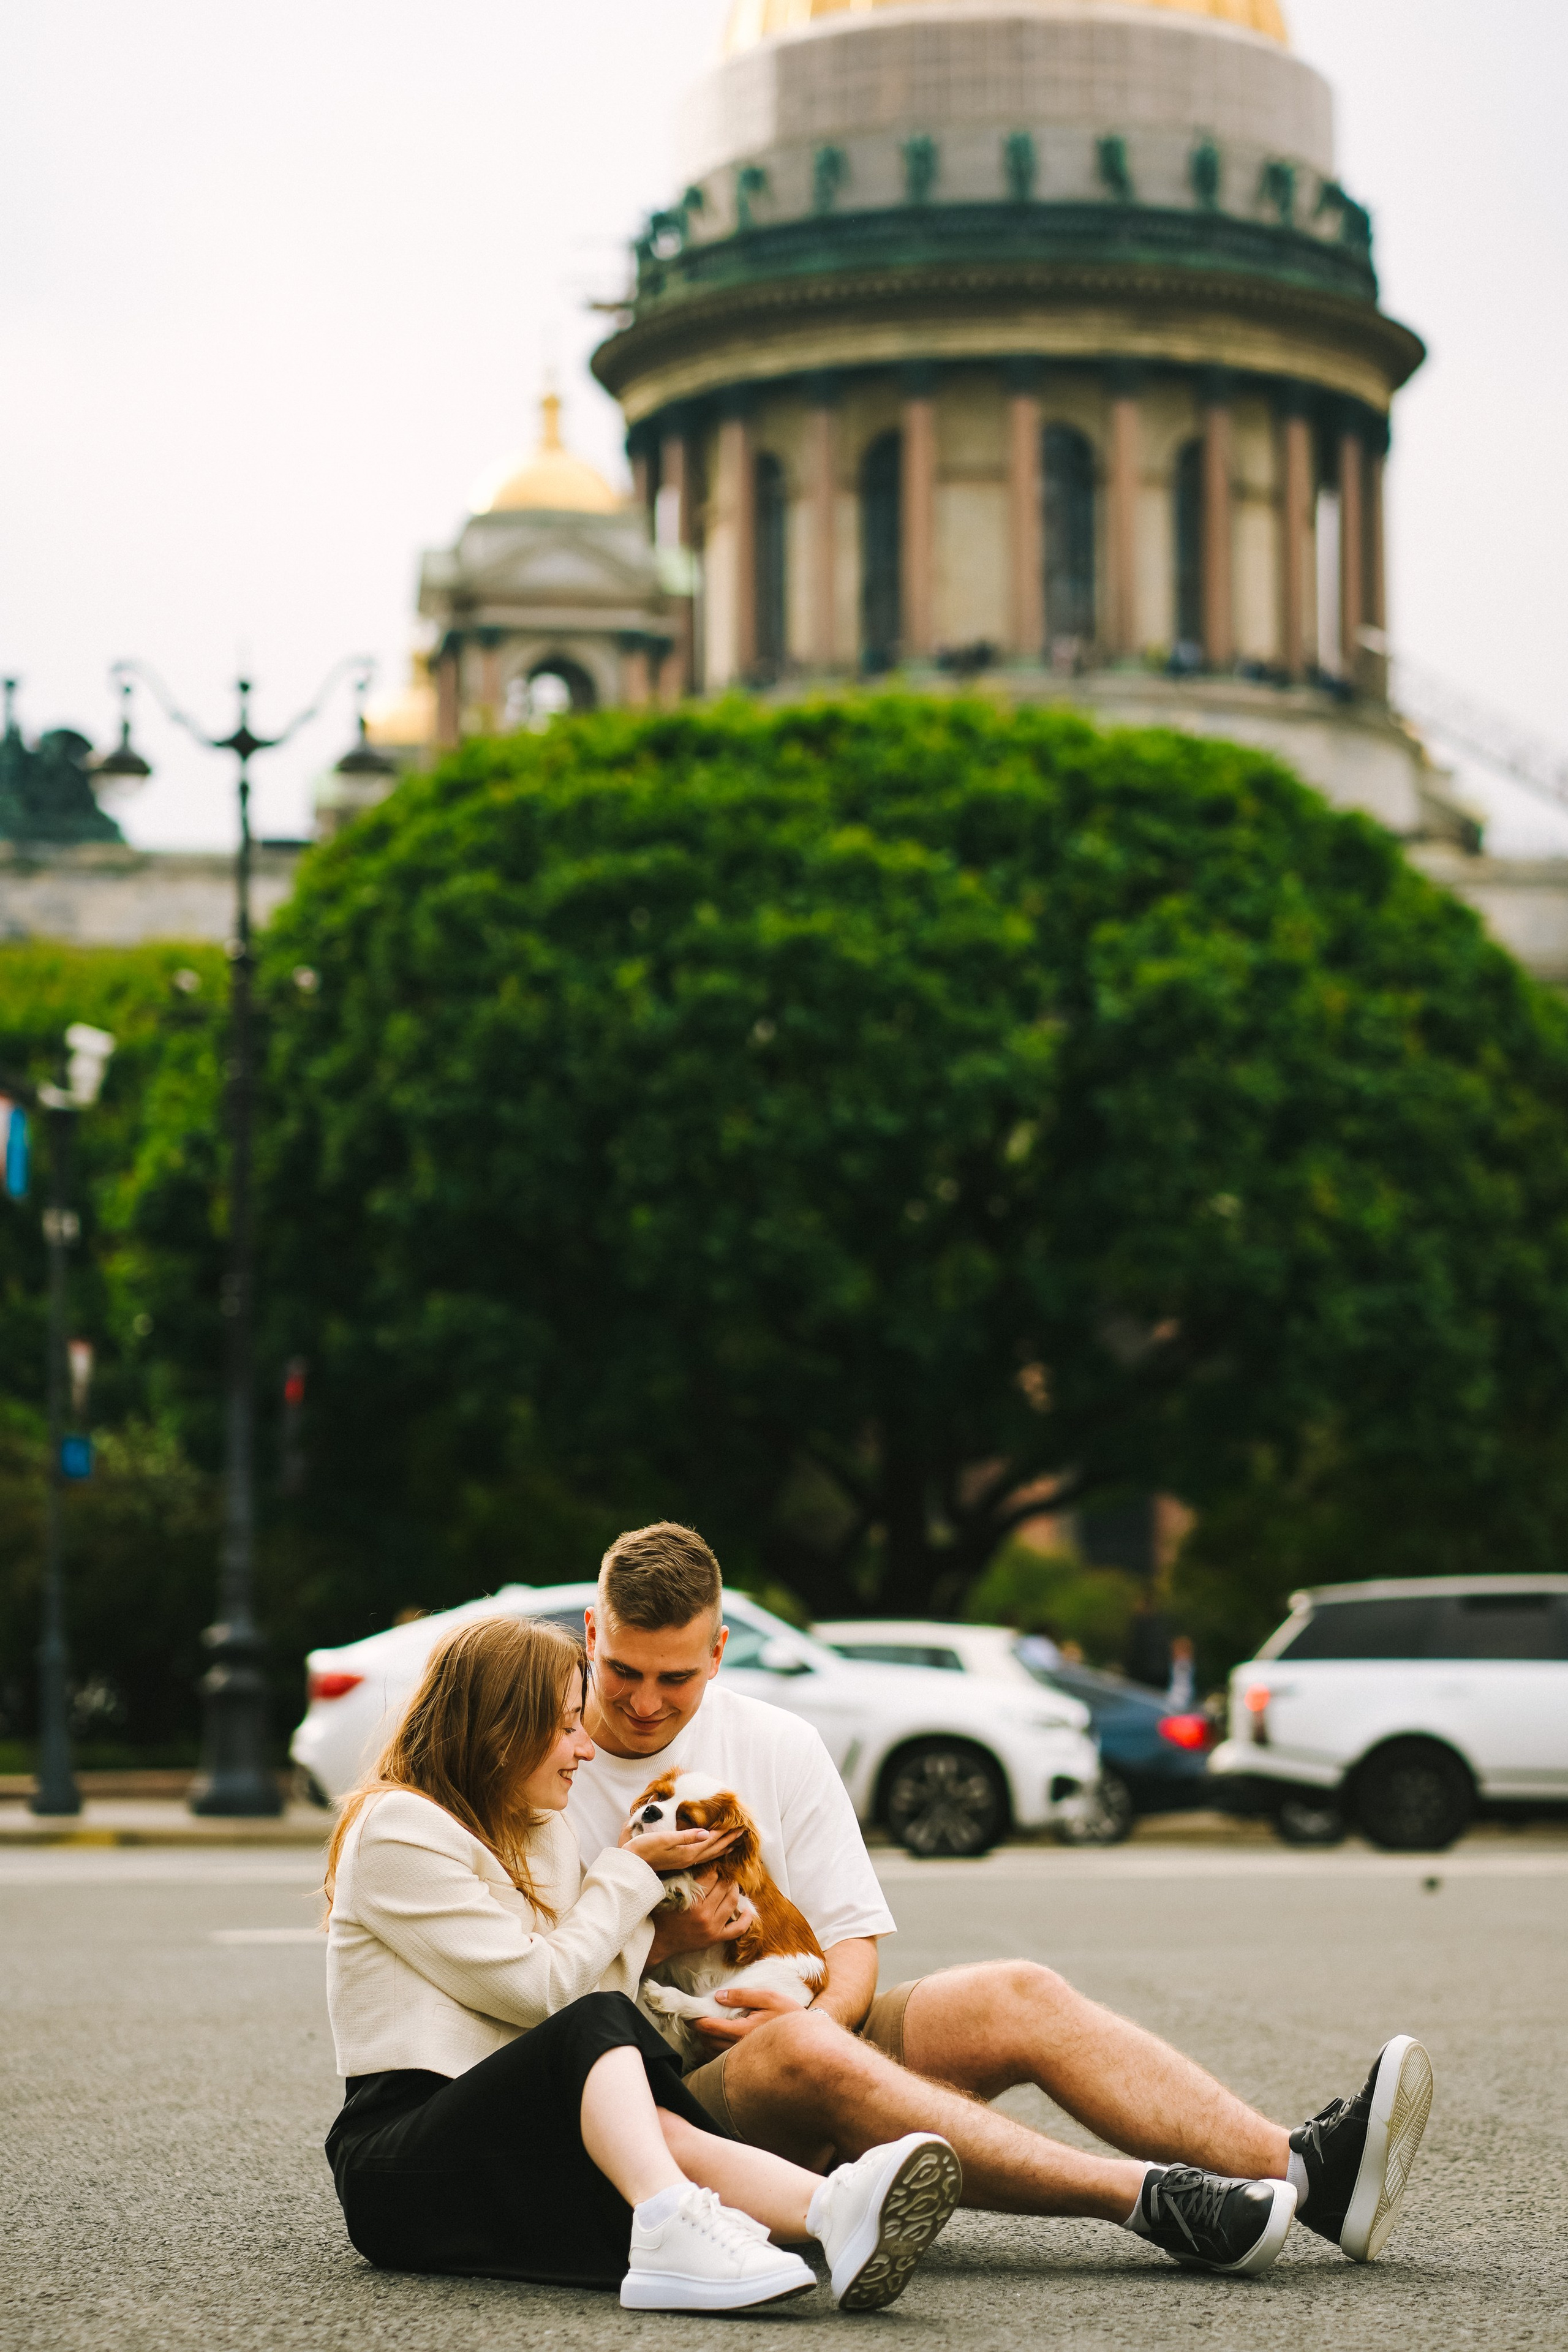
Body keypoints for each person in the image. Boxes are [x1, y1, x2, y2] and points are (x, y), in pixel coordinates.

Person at [567, 1523, 1435, 2278]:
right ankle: (1151, 2202)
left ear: (718, 1652)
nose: (645, 1702)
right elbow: (532, 1990)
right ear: (590, 1634)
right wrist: (669, 1939)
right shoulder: (544, 1758)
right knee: (802, 2047)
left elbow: (856, 1945)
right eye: (622, 1672)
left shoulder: (780, 1741)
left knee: (1014, 1991)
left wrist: (830, 2020)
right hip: (677, 2101)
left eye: (676, 1678)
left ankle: (1309, 2174)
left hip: (805, 2029)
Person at [323, 1614, 961, 2310]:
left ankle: (836, 2212)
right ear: (503, 1727)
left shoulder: (537, 1828)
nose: (585, 1750)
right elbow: (545, 1992)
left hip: (512, 2126)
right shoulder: (398, 1828)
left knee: (652, 2118)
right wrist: (630, 1871)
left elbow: (584, 1992)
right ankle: (670, 2222)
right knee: (600, 2026)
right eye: (568, 1726)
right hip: (403, 2155)